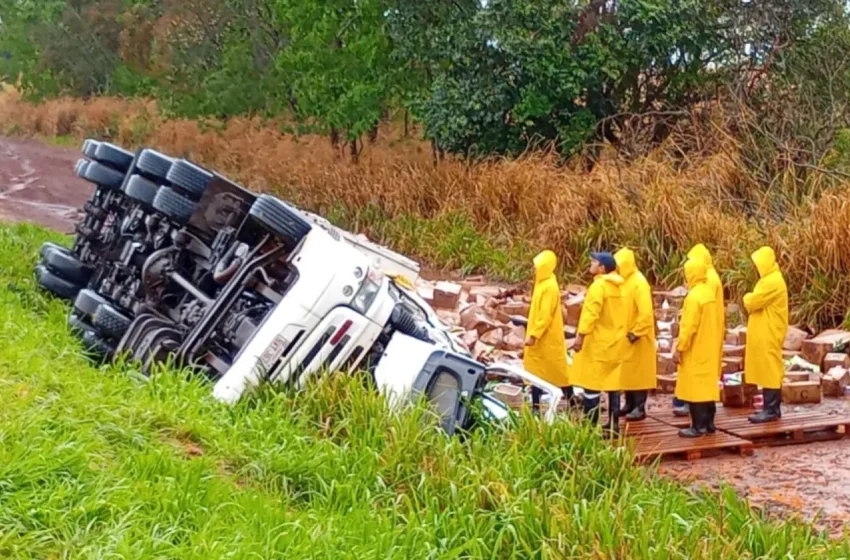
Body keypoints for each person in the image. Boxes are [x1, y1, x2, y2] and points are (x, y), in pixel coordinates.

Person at [571, 251, 627, 436]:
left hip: (598, 342)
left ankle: (590, 425)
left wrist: (581, 336)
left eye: (594, 262)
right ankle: (614, 425)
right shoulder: (620, 287)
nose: (591, 263)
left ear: (602, 268)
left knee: (591, 383)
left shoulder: (598, 287)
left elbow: (591, 314)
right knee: (613, 385)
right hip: (616, 341)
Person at [673, 243, 725, 417]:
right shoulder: (708, 282)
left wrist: (679, 346)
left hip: (699, 339)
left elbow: (690, 325)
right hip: (709, 333)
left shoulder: (700, 290)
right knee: (705, 379)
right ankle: (706, 422)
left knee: (697, 381)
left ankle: (699, 423)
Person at [523, 250, 573, 412]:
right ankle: (535, 406)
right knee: (536, 373)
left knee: (559, 371)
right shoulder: (542, 283)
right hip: (540, 337)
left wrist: (533, 335)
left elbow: (545, 316)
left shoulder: (549, 287)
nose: (534, 269)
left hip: (546, 337)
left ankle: (571, 401)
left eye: (537, 266)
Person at [743, 246, 789, 423]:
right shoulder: (771, 279)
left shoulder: (771, 282)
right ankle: (770, 408)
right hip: (769, 330)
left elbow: (752, 302)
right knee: (769, 367)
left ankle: (771, 410)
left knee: (770, 368)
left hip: (770, 332)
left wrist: (747, 297)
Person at [614, 248, 656, 421]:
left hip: (638, 337)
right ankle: (629, 404)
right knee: (628, 372)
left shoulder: (639, 283)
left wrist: (636, 332)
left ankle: (640, 407)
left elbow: (646, 313)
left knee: (639, 374)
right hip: (627, 335)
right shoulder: (624, 280)